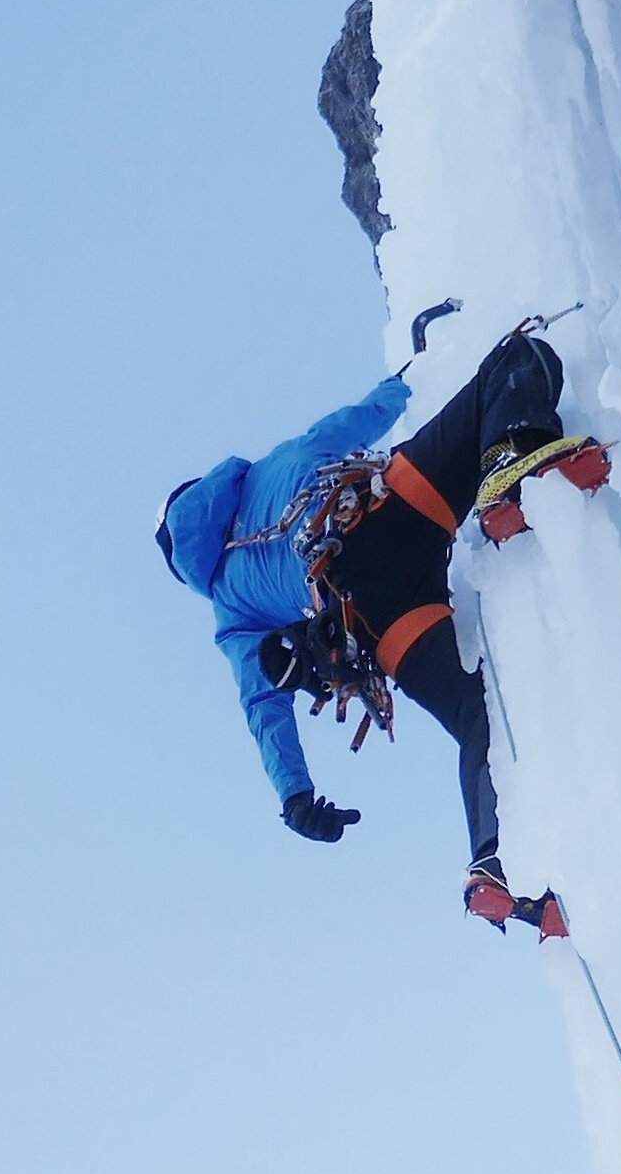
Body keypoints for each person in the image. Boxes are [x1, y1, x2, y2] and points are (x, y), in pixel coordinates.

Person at [156, 313, 597, 930]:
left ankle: (492, 864)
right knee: (517, 357)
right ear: (203, 488)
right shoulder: (270, 466)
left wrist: (296, 798)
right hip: (384, 509)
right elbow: (363, 418)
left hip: (369, 610)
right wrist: (411, 369)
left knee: (479, 714)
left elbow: (264, 705)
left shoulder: (231, 609)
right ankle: (509, 471)